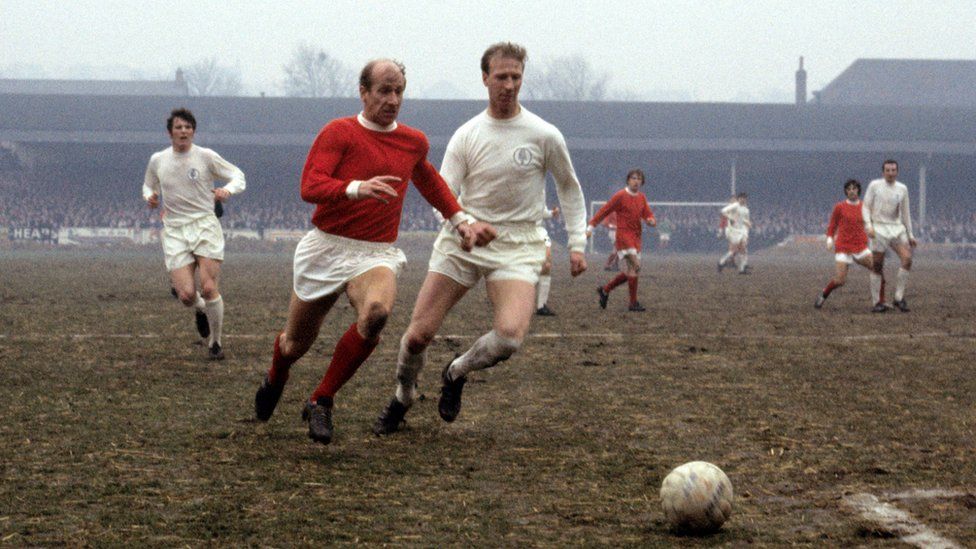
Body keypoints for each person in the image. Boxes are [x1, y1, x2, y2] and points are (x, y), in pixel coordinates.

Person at [251, 59, 494, 445]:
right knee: (295, 344)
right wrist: (354, 188)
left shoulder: (413, 141)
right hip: (326, 247)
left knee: (377, 313)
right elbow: (310, 185)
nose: (392, 99)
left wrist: (460, 220)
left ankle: (321, 399)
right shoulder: (339, 132)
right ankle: (276, 374)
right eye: (383, 90)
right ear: (363, 92)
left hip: (374, 253)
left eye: (398, 91)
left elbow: (429, 182)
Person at [372, 42, 588, 435]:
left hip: (518, 245)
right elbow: (443, 193)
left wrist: (577, 244)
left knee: (509, 338)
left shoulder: (544, 134)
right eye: (501, 77)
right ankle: (402, 396)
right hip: (463, 241)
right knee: (419, 334)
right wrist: (464, 224)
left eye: (516, 77)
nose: (509, 84)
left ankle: (456, 371)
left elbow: (569, 189)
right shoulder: (467, 135)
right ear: (485, 78)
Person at [143, 108, 245, 360]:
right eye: (179, 127)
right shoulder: (158, 160)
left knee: (209, 287)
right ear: (170, 133)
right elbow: (148, 184)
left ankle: (215, 343)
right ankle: (200, 309)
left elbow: (238, 175)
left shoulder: (205, 156)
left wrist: (228, 190)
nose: (183, 131)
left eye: (188, 127)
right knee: (187, 295)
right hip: (176, 229)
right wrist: (150, 197)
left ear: (193, 131)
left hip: (204, 226)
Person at [588, 169, 656, 312]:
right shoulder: (620, 195)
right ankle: (632, 303)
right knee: (636, 266)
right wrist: (592, 224)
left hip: (636, 237)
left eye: (639, 179)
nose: (636, 181)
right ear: (628, 180)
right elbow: (605, 210)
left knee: (632, 270)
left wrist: (651, 220)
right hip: (624, 236)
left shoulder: (642, 197)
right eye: (633, 178)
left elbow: (648, 214)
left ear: (642, 182)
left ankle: (605, 290)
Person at [863, 159, 916, 313]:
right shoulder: (874, 186)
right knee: (877, 265)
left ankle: (899, 298)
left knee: (907, 259)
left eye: (893, 170)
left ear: (897, 172)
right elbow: (866, 207)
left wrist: (910, 234)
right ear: (883, 172)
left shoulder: (902, 189)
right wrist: (868, 225)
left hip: (896, 228)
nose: (891, 173)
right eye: (888, 170)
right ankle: (876, 302)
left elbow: (906, 213)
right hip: (878, 228)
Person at [815, 179, 876, 309]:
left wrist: (873, 231)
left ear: (858, 190)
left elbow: (871, 224)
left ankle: (879, 302)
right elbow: (833, 224)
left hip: (860, 246)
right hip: (843, 247)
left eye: (854, 188)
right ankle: (824, 294)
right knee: (840, 280)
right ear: (846, 192)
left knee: (877, 269)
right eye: (848, 189)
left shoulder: (865, 207)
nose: (851, 191)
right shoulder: (840, 207)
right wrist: (830, 238)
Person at [718, 192, 751, 274]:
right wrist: (731, 218)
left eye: (744, 198)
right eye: (741, 198)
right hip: (732, 230)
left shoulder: (746, 210)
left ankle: (742, 269)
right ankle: (721, 262)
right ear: (739, 199)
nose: (742, 200)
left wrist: (748, 224)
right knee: (735, 250)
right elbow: (723, 211)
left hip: (741, 231)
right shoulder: (735, 206)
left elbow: (745, 220)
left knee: (742, 249)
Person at [535, 206, 559, 316]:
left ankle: (541, 306)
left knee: (547, 265)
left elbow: (543, 212)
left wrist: (552, 213)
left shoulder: (539, 192)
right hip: (522, 235)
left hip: (540, 234)